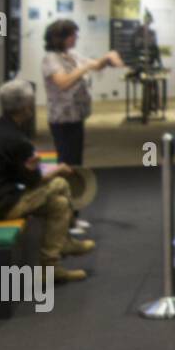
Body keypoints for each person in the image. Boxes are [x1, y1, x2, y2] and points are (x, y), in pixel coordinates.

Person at [0, 81, 94, 282]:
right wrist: (57, 170)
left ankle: (50, 268)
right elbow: (32, 182)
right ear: (26, 108)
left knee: (58, 205)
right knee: (60, 184)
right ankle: (64, 241)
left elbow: (13, 173)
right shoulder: (17, 140)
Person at [41, 19, 122, 232]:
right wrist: (85, 67)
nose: (76, 38)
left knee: (75, 167)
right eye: (72, 35)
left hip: (76, 118)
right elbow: (63, 82)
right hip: (62, 121)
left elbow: (94, 65)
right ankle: (64, 220)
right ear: (61, 37)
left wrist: (108, 57)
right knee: (66, 168)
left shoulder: (71, 56)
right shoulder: (51, 59)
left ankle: (73, 217)